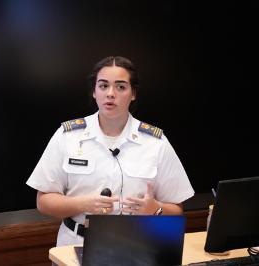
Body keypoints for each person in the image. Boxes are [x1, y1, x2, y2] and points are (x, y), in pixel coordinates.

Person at [26, 56, 194, 246]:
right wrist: (83, 204)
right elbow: (44, 202)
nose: (110, 94)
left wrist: (155, 209)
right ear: (94, 92)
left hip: (137, 247)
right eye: (103, 86)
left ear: (133, 94)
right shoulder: (68, 136)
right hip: (77, 244)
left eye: (121, 87)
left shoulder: (156, 142)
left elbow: (177, 208)